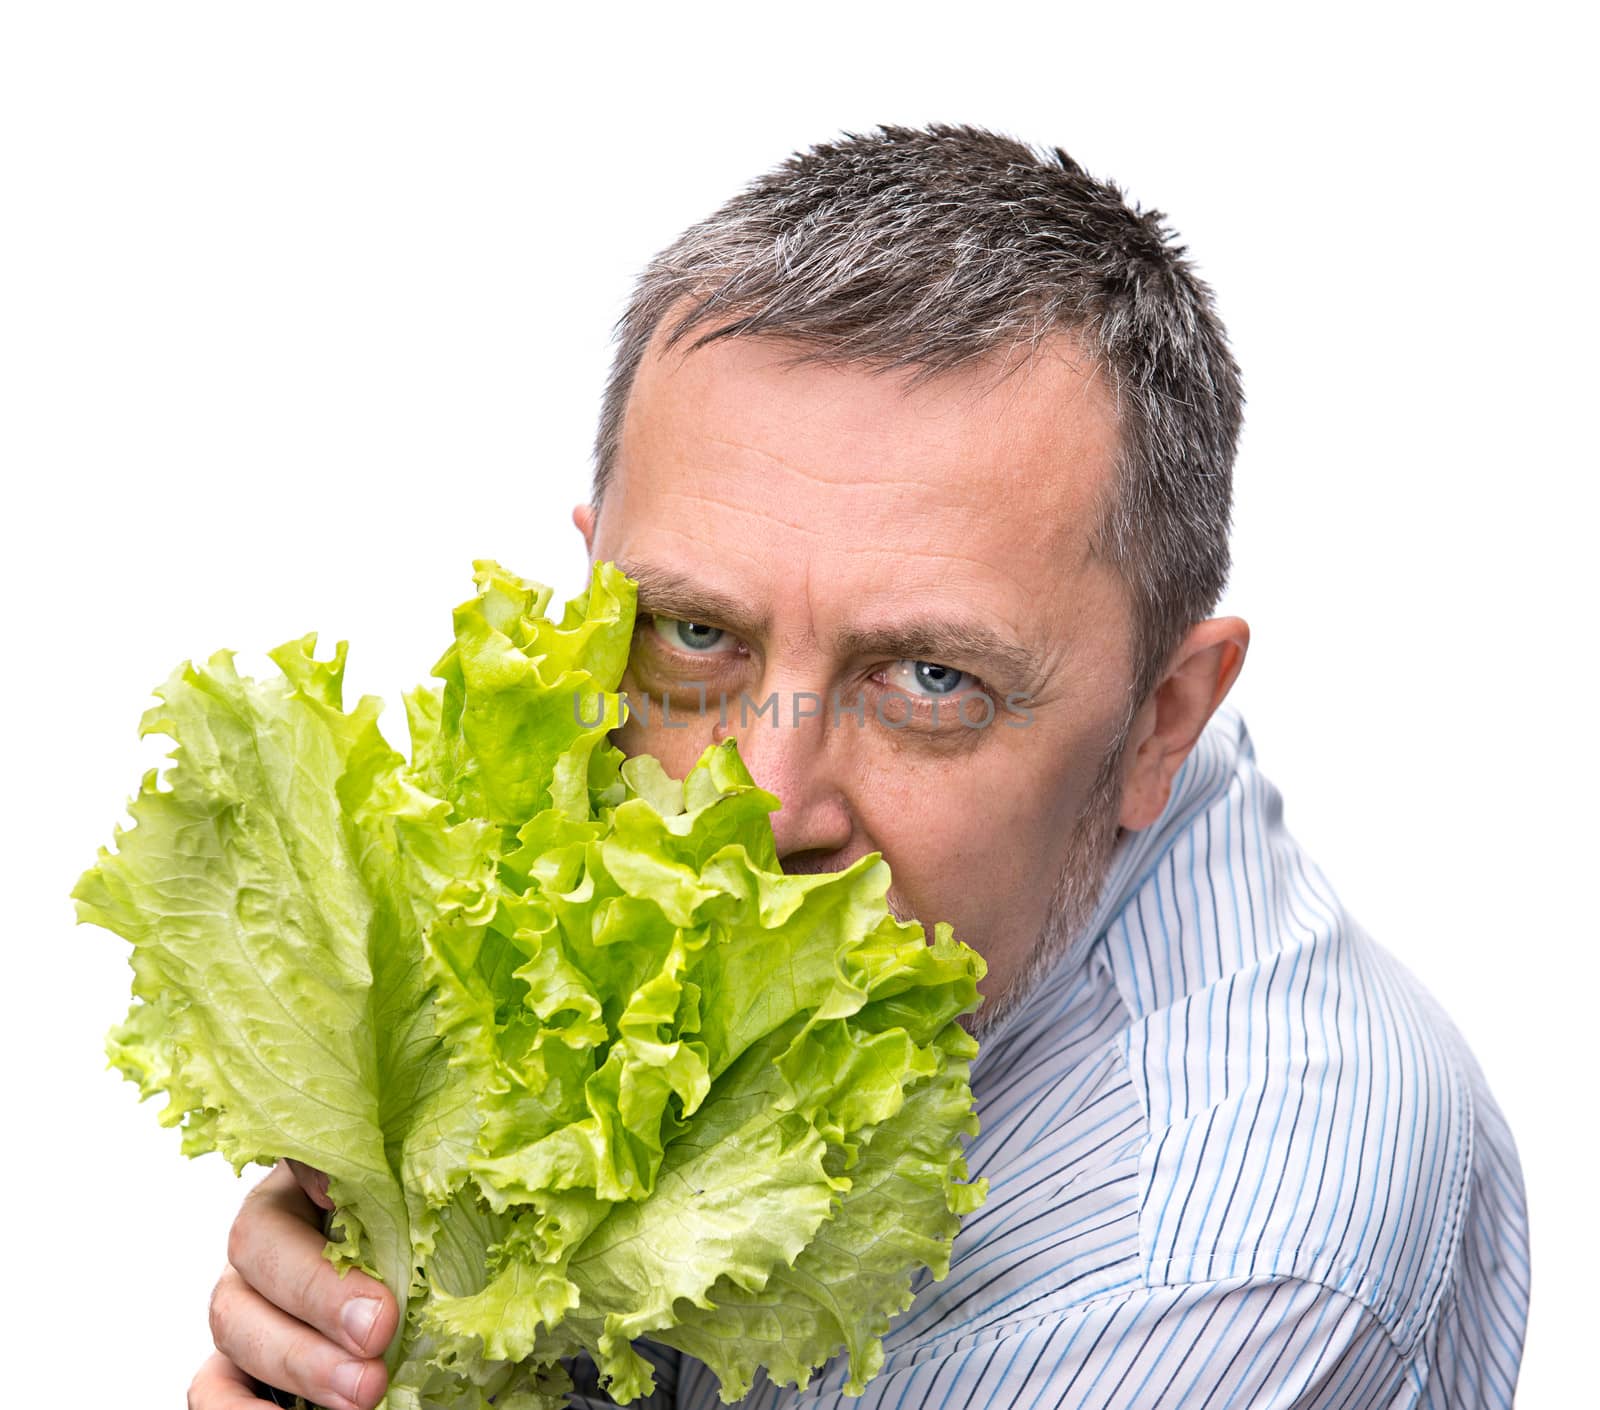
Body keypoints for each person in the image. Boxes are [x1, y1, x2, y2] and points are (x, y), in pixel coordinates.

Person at [190, 122, 1529, 1410]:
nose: (764, 800)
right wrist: (406, 1295)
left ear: (1162, 719)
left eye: (931, 681)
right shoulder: (885, 859)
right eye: (697, 634)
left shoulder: (1212, 1271)